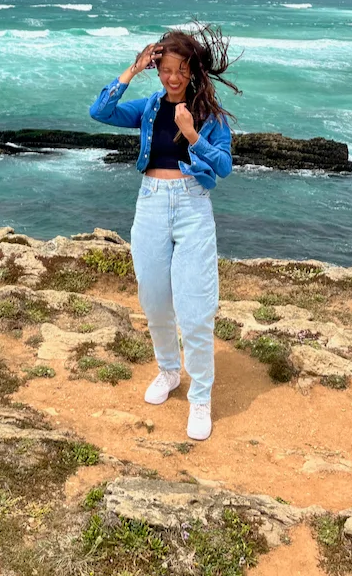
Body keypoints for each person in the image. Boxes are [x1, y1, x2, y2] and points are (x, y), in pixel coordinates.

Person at [89, 25, 240, 440]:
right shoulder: (149, 106)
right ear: (159, 70)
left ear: (192, 72)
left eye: (182, 70)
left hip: (192, 206)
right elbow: (99, 112)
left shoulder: (210, 114)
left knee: (194, 309)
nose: (174, 77)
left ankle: (201, 397)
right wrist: (130, 70)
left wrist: (193, 135)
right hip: (151, 202)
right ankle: (169, 372)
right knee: (154, 301)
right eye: (166, 69)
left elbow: (224, 167)